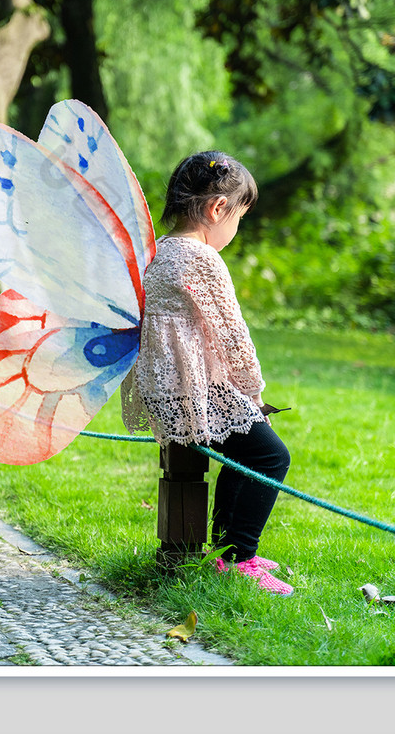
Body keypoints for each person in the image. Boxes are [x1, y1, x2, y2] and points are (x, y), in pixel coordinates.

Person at [121, 151, 294, 596]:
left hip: (165, 387)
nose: (235, 229)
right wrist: (254, 398)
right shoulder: (202, 258)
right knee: (271, 457)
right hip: (194, 390)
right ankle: (239, 557)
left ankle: (225, 548)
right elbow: (233, 337)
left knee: (245, 456)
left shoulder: (157, 252)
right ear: (218, 209)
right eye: (239, 217)